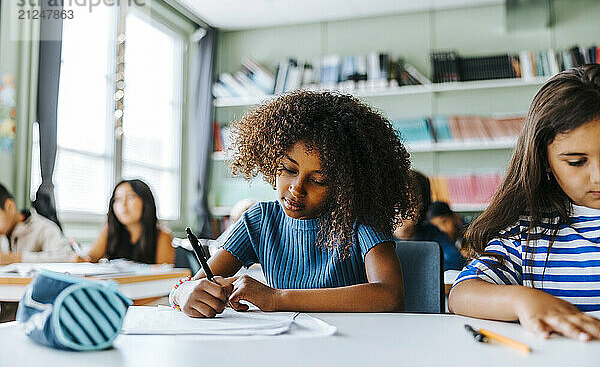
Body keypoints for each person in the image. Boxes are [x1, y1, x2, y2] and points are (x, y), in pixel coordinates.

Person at [170, 91, 413, 317]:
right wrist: (183, 294)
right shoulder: (260, 220)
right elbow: (198, 283)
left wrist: (277, 298)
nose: (296, 187)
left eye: (318, 180)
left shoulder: (359, 218)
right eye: (288, 169)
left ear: (345, 185)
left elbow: (390, 296)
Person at [449, 64, 600, 341]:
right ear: (544, 161)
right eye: (577, 162)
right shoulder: (528, 230)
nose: (598, 176)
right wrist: (520, 300)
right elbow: (462, 294)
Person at [84, 179, 174, 264]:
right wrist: (79, 259)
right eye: (118, 199)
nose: (123, 204)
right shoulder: (109, 231)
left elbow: (165, 275)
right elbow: (90, 258)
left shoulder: (163, 236)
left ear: (146, 202)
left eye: (130, 197)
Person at [394, 170, 466, 271]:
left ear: (422, 207)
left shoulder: (433, 235)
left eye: (411, 203)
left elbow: (456, 263)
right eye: (396, 201)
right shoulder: (376, 235)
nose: (402, 210)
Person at [0, 183, 73, 264]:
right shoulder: (3, 235)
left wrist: (15, 258)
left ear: (9, 206)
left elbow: (65, 257)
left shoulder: (45, 228)